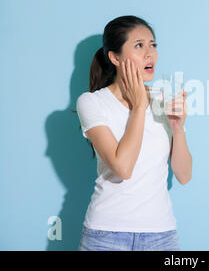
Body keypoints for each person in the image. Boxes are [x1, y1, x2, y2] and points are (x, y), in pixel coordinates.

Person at [75, 15, 192, 251]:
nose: (150, 54)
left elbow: (184, 175)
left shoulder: (162, 101)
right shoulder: (92, 103)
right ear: (115, 57)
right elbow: (123, 168)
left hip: (161, 236)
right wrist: (139, 106)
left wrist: (178, 130)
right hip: (105, 236)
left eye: (153, 45)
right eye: (139, 45)